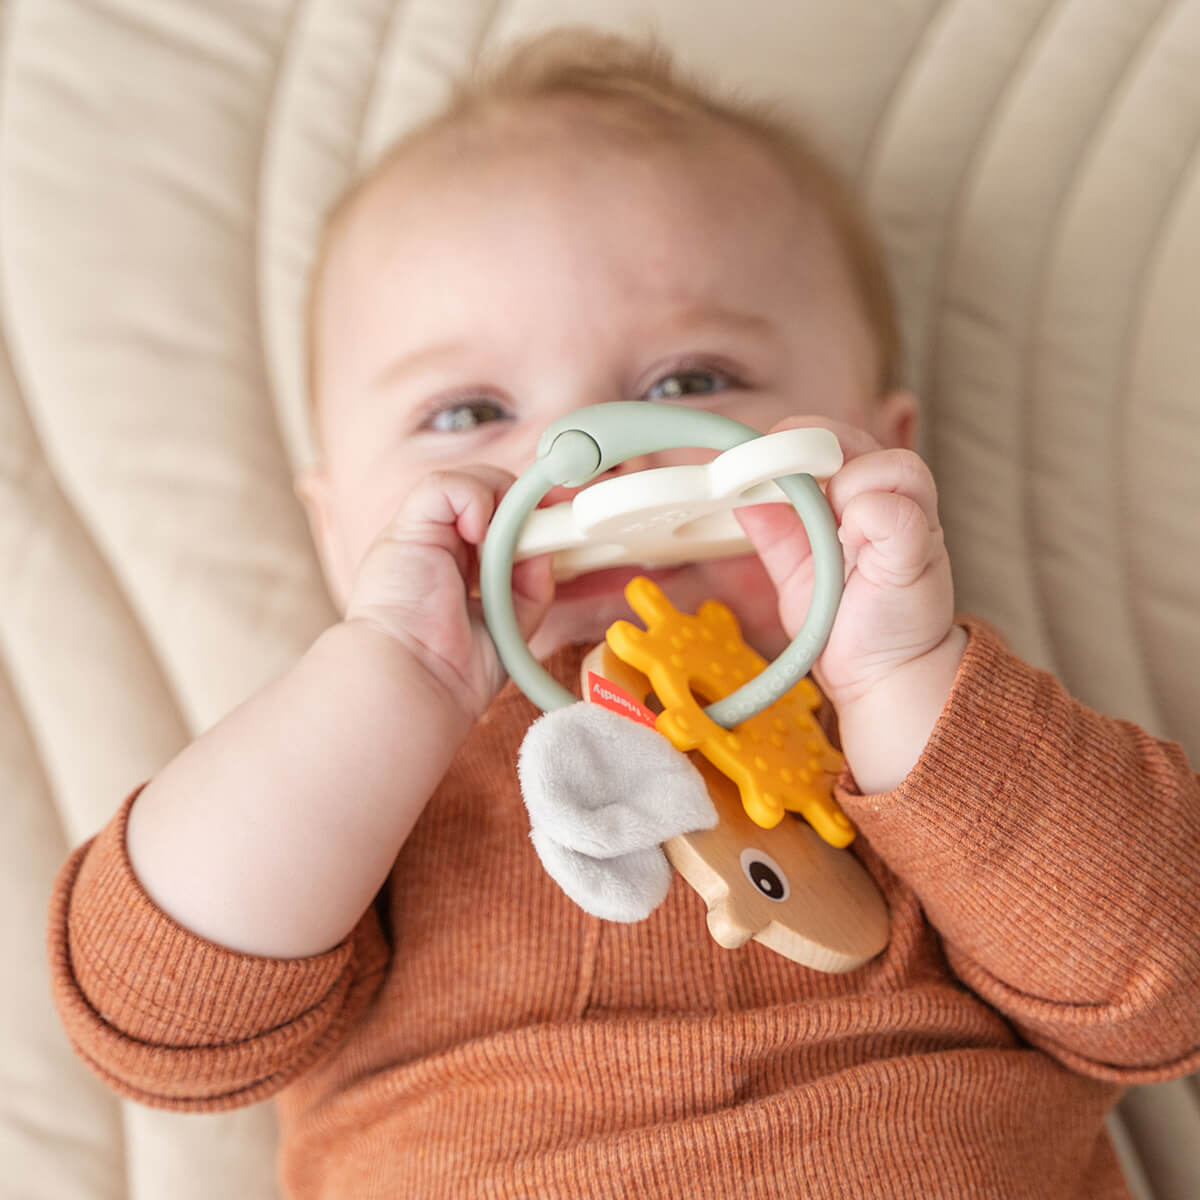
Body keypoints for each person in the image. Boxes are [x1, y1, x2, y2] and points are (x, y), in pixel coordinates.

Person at [47, 29, 1199, 1199]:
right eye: (468, 411)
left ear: (880, 451)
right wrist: (383, 682)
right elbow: (158, 1023)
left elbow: (1170, 986)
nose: (585, 461)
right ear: (337, 525)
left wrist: (907, 677)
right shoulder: (378, 772)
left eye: (689, 386)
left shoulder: (920, 729)